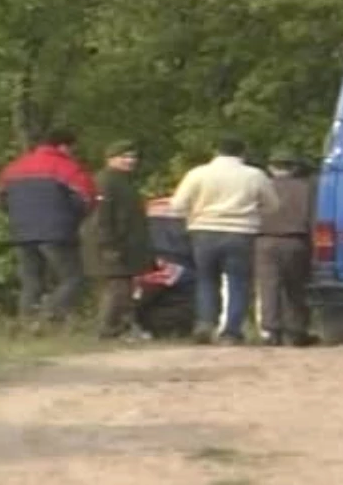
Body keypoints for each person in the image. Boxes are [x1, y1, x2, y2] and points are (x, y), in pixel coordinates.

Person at [169, 136, 279, 345]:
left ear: (216, 151)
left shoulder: (198, 174)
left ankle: (205, 323)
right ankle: (231, 331)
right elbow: (272, 205)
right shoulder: (254, 175)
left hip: (203, 231)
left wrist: (194, 214)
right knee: (238, 282)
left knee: (206, 279)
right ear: (243, 152)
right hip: (241, 232)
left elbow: (178, 204)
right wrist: (252, 213)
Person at [0, 127, 98, 329]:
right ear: (64, 146)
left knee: (31, 281)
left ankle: (26, 323)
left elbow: (0, 198)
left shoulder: (14, 167)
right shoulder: (67, 167)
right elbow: (87, 199)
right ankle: (48, 314)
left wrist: (18, 217)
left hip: (22, 233)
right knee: (72, 278)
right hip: (57, 232)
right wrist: (75, 218)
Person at [82, 140, 155, 341]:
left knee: (123, 289)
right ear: (110, 159)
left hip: (124, 246)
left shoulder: (124, 181)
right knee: (117, 290)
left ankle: (121, 328)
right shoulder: (105, 181)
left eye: (132, 157)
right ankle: (107, 330)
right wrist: (108, 245)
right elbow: (101, 217)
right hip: (110, 246)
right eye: (124, 157)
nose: (130, 161)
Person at [255, 148, 317, 347]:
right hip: (296, 241)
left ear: (271, 168)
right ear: (295, 168)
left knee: (268, 287)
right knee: (296, 288)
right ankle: (297, 331)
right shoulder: (306, 188)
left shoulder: (261, 187)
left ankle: (271, 331)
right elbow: (313, 219)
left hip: (264, 240)